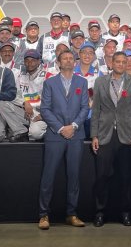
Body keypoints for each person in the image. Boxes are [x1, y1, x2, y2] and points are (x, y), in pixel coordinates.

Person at [37, 48, 90, 229]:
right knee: (48, 175)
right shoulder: (49, 83)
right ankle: (43, 215)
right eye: (64, 58)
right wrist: (61, 128)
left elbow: (85, 108)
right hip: (55, 135)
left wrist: (73, 126)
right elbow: (45, 109)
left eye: (70, 58)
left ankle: (72, 214)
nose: (68, 60)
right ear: (58, 63)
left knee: (74, 176)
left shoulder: (82, 82)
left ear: (75, 63)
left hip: (76, 135)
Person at [90, 51, 131, 227]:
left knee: (126, 177)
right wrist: (94, 135)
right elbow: (96, 110)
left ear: (127, 64)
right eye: (117, 61)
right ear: (111, 63)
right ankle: (100, 212)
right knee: (102, 176)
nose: (120, 64)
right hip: (105, 134)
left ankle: (125, 212)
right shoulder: (100, 81)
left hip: (127, 135)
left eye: (123, 62)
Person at [17, 49, 48, 141]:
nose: (29, 63)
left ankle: (49, 131)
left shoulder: (47, 76)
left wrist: (44, 115)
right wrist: (24, 102)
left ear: (39, 62)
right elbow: (14, 95)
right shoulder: (21, 76)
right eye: (27, 60)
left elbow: (55, 100)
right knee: (3, 104)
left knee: (35, 134)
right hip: (26, 112)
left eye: (33, 60)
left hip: (41, 114)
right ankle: (21, 131)